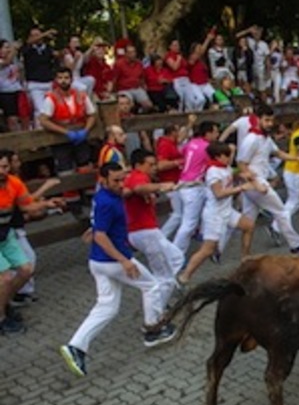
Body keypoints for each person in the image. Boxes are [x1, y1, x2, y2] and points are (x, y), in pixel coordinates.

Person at [59, 163, 177, 377]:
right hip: (111, 261)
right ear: (102, 179)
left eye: (122, 179)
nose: (120, 184)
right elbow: (101, 236)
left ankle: (76, 347)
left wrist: (93, 229)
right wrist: (124, 261)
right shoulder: (107, 202)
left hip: (98, 262)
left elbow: (100, 227)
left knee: (107, 307)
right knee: (151, 286)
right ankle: (153, 330)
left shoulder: (105, 196)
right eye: (115, 180)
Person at [236, 105, 299, 254]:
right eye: (266, 120)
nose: (270, 124)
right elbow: (241, 164)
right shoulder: (251, 139)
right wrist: (256, 183)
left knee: (248, 223)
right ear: (258, 119)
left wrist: (298, 157)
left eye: (271, 120)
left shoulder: (265, 138)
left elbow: (278, 153)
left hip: (255, 183)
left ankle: (237, 253)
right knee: (281, 211)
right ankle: (296, 245)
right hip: (257, 182)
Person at [0, 150, 62, 334]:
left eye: (4, 166)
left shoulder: (14, 183)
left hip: (6, 233)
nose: (1, 171)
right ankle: (1, 319)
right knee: (4, 279)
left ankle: (3, 304)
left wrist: (47, 204)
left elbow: (26, 205)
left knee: (26, 270)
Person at [177, 143, 258, 284]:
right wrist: (241, 188)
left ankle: (245, 259)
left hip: (227, 211)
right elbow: (219, 193)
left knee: (249, 226)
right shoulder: (213, 171)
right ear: (218, 157)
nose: (229, 158)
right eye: (226, 156)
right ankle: (184, 276)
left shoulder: (224, 167)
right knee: (207, 250)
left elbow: (232, 171)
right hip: (214, 215)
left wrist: (243, 174)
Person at [123, 148, 184, 310]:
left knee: (177, 257)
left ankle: (167, 291)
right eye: (150, 165)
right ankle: (157, 311)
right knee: (164, 277)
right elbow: (138, 189)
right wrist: (161, 186)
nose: (153, 168)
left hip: (147, 231)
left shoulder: (138, 177)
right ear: (138, 165)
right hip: (145, 232)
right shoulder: (138, 176)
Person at [172, 121, 220, 255]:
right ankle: (175, 255)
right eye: (215, 132)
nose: (217, 135)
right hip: (194, 186)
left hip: (184, 182)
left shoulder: (192, 142)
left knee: (191, 219)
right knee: (189, 224)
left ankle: (205, 234)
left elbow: (182, 152)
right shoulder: (208, 148)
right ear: (208, 133)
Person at [37, 67, 97, 174]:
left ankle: (86, 190)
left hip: (80, 136)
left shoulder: (81, 95)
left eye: (66, 77)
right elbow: (43, 120)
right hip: (60, 139)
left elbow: (92, 115)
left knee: (85, 168)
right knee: (65, 170)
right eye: (60, 78)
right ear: (56, 80)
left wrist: (85, 131)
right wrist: (66, 132)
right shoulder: (51, 98)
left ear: (71, 79)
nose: (63, 81)